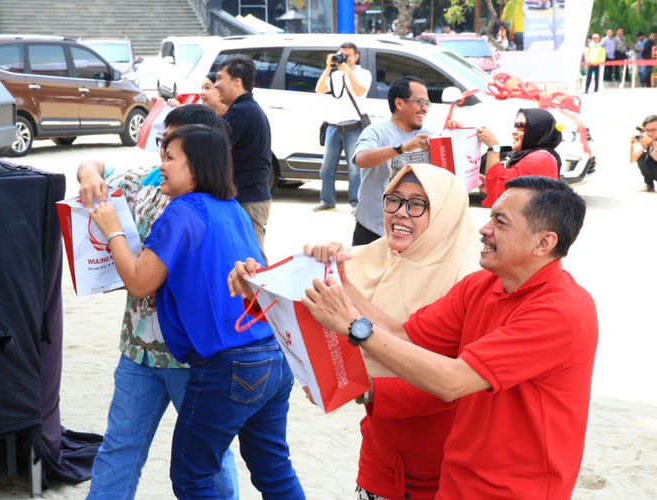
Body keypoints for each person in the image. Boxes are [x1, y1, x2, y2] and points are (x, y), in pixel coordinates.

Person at [302, 176, 597, 499]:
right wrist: (341, 283)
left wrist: (354, 326)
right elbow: (406, 337)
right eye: (489, 216)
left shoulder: (561, 311)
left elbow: (452, 381)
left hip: (518, 489)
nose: (484, 229)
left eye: (500, 221)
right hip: (457, 479)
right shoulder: (481, 286)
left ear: (544, 243)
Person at [228, 164, 480, 499]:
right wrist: (259, 289)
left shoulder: (470, 283)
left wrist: (367, 391)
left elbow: (451, 380)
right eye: (394, 200)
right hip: (379, 458)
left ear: (447, 215)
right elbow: (314, 317)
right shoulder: (370, 257)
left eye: (418, 204)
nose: (401, 213)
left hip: (442, 467)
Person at [89, 124, 305, 499]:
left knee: (192, 475)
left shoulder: (182, 211)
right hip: (272, 355)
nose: (163, 167)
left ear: (197, 167)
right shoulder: (232, 208)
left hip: (230, 363)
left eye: (170, 158)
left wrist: (112, 231)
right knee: (273, 468)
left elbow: (141, 282)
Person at [77, 105, 239, 500]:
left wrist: (114, 232)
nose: (162, 158)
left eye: (172, 150)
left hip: (192, 358)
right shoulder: (150, 180)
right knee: (119, 448)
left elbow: (141, 282)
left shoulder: (208, 207)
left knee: (209, 460)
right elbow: (94, 164)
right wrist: (88, 175)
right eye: (163, 145)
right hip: (138, 351)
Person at [351, 76, 431, 245]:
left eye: (427, 103)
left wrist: (456, 129)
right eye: (419, 102)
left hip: (411, 231)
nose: (424, 108)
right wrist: (401, 148)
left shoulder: (428, 135)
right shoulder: (376, 132)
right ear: (400, 103)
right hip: (373, 231)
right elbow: (361, 159)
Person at [214, 55, 273, 257]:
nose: (216, 85)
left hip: (249, 201)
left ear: (237, 81)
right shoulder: (247, 110)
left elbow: (211, 147)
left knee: (253, 262)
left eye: (220, 78)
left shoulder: (242, 112)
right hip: (249, 198)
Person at [313, 42, 372, 212]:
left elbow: (360, 91)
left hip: (353, 127)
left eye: (348, 55)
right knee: (326, 168)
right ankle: (327, 201)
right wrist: (327, 68)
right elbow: (319, 89)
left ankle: (356, 203)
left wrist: (347, 69)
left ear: (356, 56)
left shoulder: (364, 73)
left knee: (354, 169)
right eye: (341, 54)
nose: (344, 57)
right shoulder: (336, 74)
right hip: (333, 126)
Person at [473, 108, 562, 207]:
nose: (514, 131)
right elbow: (507, 190)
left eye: (521, 126)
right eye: (515, 126)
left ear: (537, 130)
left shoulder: (540, 158)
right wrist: (490, 185)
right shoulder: (538, 155)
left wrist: (493, 147)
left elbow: (499, 186)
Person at [630, 114, 657, 192]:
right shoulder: (646, 138)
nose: (650, 133)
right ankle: (649, 185)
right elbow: (633, 159)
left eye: (653, 130)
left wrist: (651, 144)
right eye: (647, 130)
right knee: (642, 156)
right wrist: (637, 143)